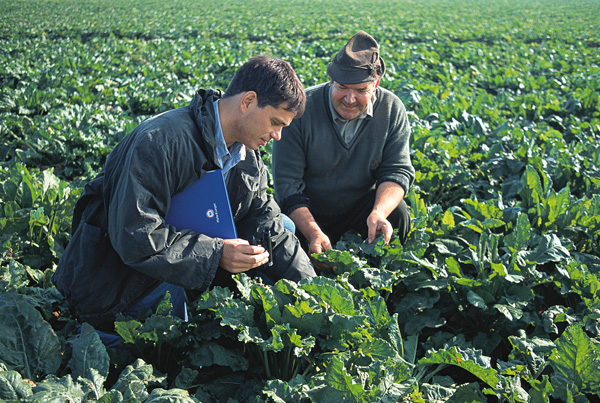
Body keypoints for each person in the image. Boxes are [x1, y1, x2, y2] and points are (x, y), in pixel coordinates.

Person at [52, 56, 316, 331]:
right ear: (247, 101)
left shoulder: (246, 153)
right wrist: (216, 255)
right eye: (275, 122)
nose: (277, 136)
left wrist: (313, 293)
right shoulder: (159, 143)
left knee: (282, 226)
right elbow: (135, 237)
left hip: (184, 253)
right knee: (165, 348)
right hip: (119, 276)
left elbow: (268, 221)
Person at [272, 31, 415, 258]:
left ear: (375, 85)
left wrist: (378, 212)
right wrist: (313, 233)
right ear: (331, 81)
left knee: (396, 213)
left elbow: (397, 171)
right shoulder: (301, 111)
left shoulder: (391, 108)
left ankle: (384, 283)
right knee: (279, 229)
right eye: (342, 88)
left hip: (359, 211)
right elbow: (287, 187)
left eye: (361, 91)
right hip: (308, 213)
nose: (349, 99)